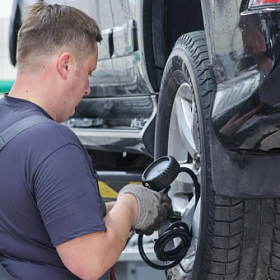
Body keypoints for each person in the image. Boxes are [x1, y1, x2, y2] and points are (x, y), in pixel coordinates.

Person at [0, 2, 172, 280]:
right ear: (66, 64)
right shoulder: (52, 143)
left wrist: (114, 213)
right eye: (88, 72)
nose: (88, 88)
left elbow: (32, 218)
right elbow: (90, 261)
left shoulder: (7, 128)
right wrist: (130, 202)